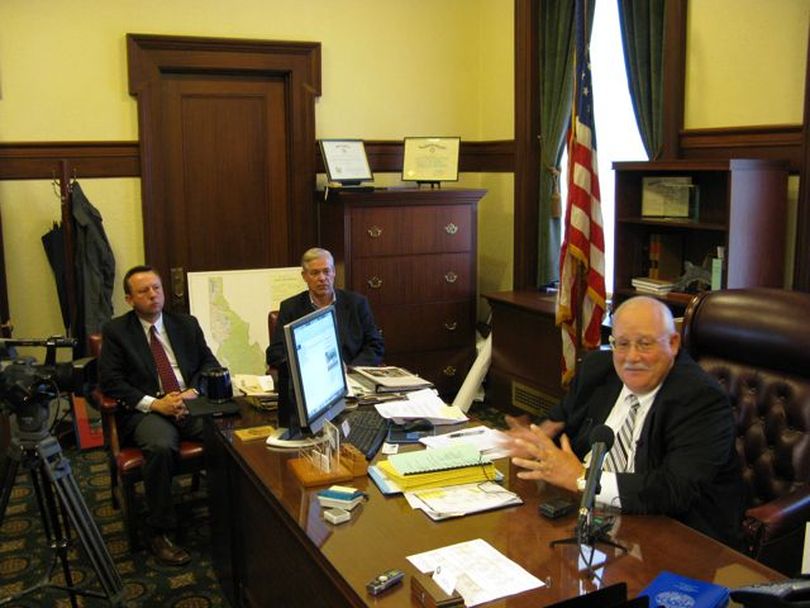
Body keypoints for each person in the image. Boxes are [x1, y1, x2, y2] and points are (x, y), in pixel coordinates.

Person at [506, 296, 743, 547]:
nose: (631, 357)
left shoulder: (700, 399)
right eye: (622, 344)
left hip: (669, 537)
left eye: (644, 344)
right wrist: (535, 436)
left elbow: (674, 490)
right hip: (583, 518)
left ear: (673, 343)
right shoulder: (598, 370)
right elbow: (561, 417)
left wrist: (584, 479)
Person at [99, 265, 219, 566]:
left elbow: (209, 364)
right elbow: (111, 382)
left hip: (187, 400)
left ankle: (227, 509)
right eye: (144, 291)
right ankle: (160, 531)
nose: (153, 295)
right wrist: (155, 404)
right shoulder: (116, 332)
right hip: (146, 410)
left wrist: (192, 391)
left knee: (225, 436)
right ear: (129, 299)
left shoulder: (185, 324)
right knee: (161, 447)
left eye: (157, 288)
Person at [266, 248, 384, 423]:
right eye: (315, 273)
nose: (322, 278)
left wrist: (350, 367)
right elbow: (275, 353)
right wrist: (310, 368)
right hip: (314, 389)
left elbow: (375, 345)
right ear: (304, 276)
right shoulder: (290, 308)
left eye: (326, 271)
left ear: (334, 273)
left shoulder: (356, 303)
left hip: (353, 383)